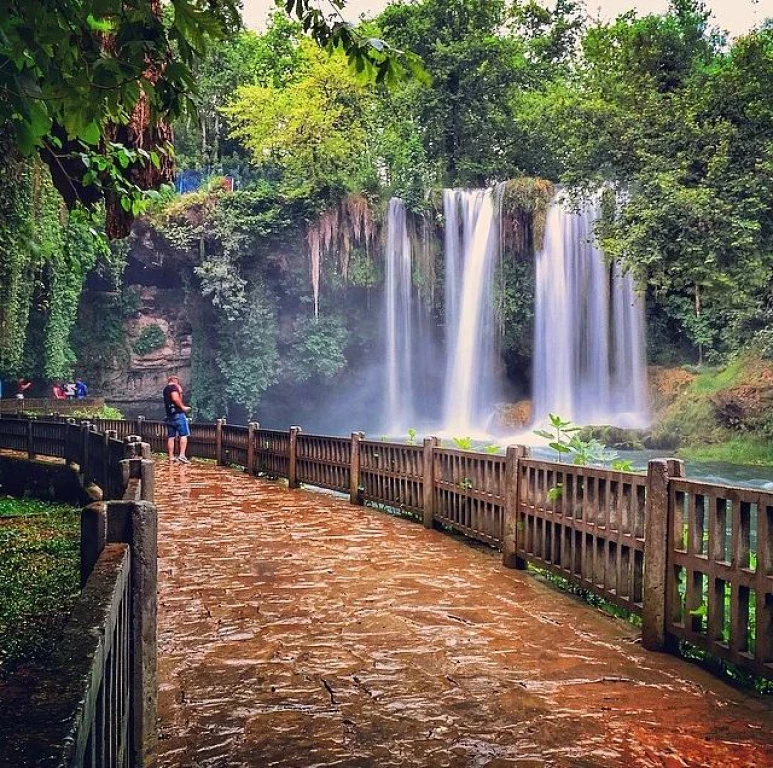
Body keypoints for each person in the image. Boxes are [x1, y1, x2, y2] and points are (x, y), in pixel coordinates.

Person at [163, 375, 191, 463]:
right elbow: (175, 398)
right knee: (183, 435)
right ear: (175, 380)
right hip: (178, 415)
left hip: (169, 416)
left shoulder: (165, 389)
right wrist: (183, 407)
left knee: (171, 436)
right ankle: (182, 455)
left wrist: (181, 392)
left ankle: (171, 456)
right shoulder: (173, 387)